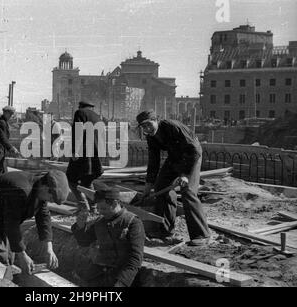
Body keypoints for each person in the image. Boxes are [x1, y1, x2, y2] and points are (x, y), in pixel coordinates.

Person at [0, 170, 70, 275]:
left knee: (10, 257)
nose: (49, 201)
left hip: (2, 214)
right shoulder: (20, 190)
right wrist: (22, 255)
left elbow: (43, 216)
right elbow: (12, 223)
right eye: (51, 198)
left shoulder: (39, 187)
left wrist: (49, 248)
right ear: (45, 188)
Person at [136, 111, 211, 246]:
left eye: (149, 125)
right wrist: (148, 185)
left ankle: (202, 234)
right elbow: (154, 161)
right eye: (143, 127)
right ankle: (166, 231)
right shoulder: (151, 136)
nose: (147, 129)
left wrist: (185, 174)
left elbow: (193, 150)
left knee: (187, 191)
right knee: (161, 188)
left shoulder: (171, 126)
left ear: (156, 120)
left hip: (192, 156)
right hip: (175, 157)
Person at [71, 185, 145, 287]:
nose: (100, 211)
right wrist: (80, 226)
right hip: (101, 273)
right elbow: (84, 242)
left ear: (115, 203)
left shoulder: (133, 222)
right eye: (98, 208)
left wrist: (121, 284)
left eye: (103, 208)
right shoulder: (100, 222)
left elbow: (135, 259)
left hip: (122, 276)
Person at [66, 101, 104, 212]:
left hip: (83, 154)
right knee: (87, 181)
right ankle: (93, 209)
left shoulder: (80, 113)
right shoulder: (97, 117)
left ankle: (84, 206)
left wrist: (74, 150)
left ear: (82, 107)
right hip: (95, 155)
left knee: (71, 179)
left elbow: (78, 132)